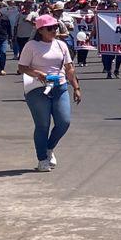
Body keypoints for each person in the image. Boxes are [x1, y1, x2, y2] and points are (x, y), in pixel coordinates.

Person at [17, 14, 80, 172]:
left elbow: (69, 67)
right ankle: (42, 159)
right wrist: (38, 74)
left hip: (59, 86)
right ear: (41, 30)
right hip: (37, 87)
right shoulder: (31, 46)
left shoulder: (61, 45)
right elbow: (22, 67)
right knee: (42, 125)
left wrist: (76, 87)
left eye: (55, 27)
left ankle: (49, 148)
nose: (54, 30)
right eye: (50, 28)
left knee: (63, 122)